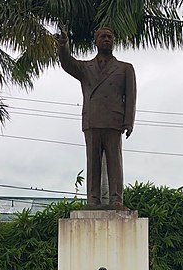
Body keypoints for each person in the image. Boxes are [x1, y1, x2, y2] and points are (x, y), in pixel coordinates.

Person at [56, 26, 136, 208]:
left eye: (110, 37)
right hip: (92, 120)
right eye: (103, 36)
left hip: (114, 121)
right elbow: (67, 63)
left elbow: (131, 97)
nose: (107, 39)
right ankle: (93, 199)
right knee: (93, 162)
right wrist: (63, 44)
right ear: (96, 41)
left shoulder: (125, 68)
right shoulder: (85, 68)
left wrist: (128, 122)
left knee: (114, 162)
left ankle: (117, 199)